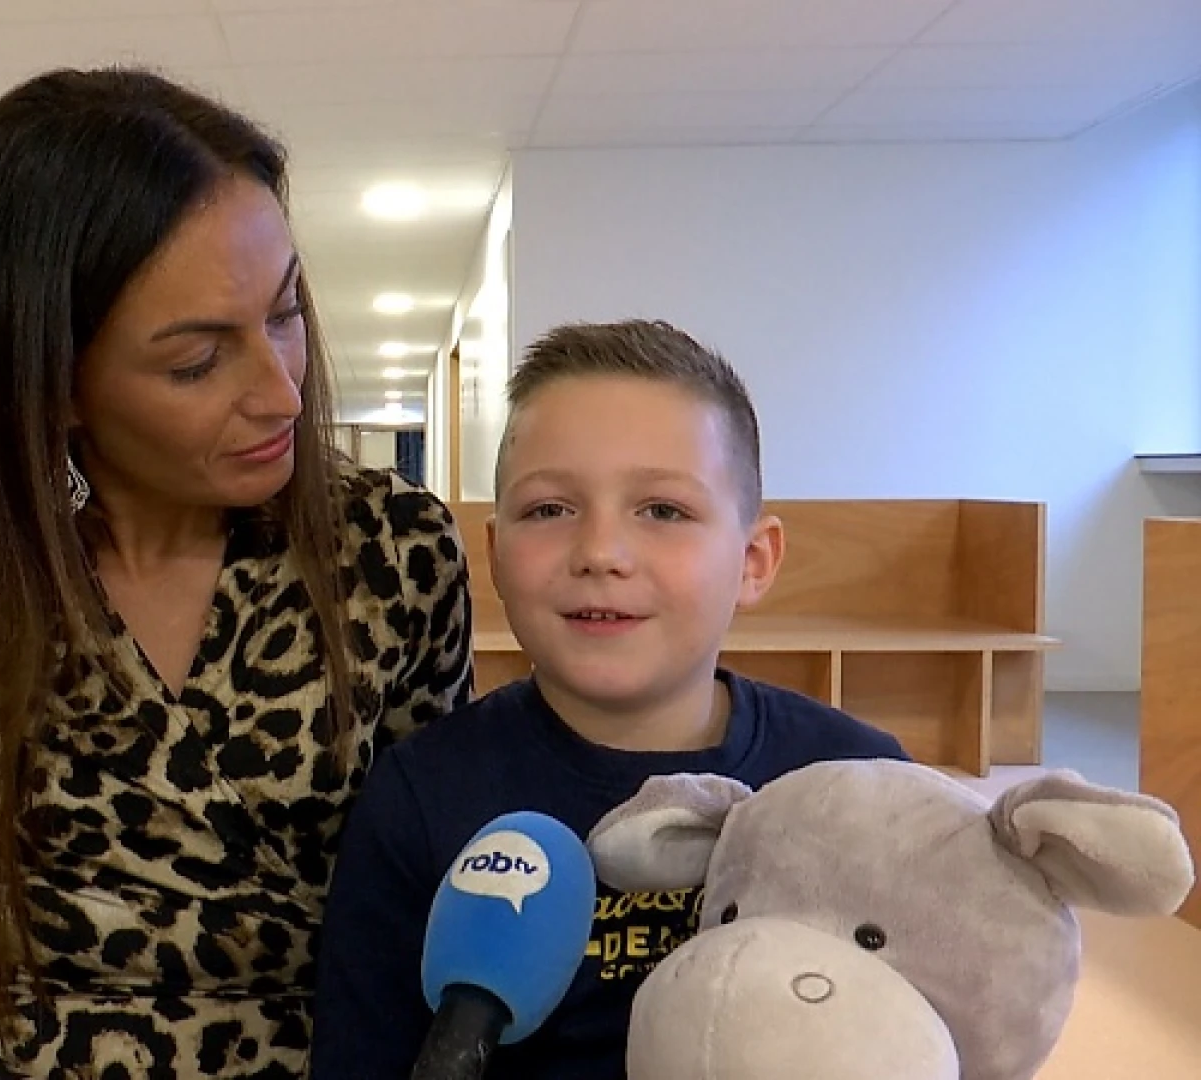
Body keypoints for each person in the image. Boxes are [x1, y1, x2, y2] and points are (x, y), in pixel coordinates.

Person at [0, 67, 474, 1079]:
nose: (282, 393)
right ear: (50, 381)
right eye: (197, 361)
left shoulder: (395, 554)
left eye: (285, 313)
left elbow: (447, 936)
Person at [310, 320, 909, 1079]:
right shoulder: (421, 797)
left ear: (754, 561)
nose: (599, 552)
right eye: (550, 510)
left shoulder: (865, 784)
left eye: (662, 510)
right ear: (493, 555)